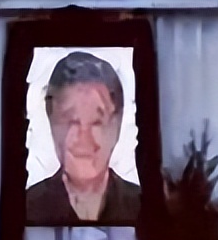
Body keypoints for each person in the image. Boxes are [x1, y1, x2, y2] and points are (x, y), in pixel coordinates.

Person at [26, 51, 140, 224]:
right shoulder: (26, 209)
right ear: (52, 122)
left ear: (117, 125)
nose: (84, 136)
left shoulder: (145, 207)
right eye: (72, 120)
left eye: (97, 122)